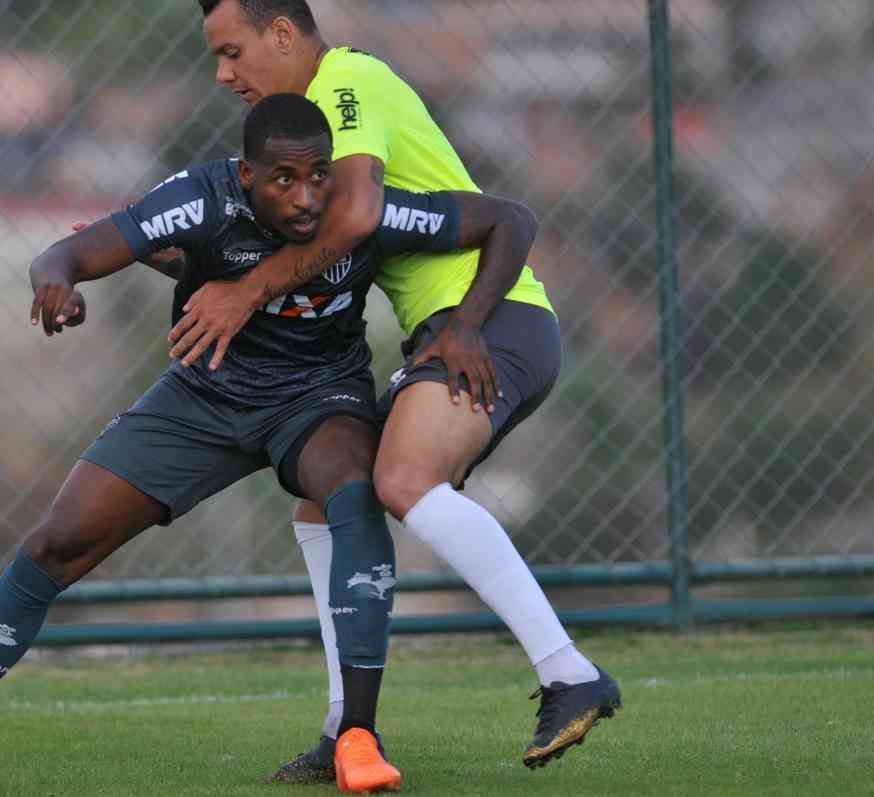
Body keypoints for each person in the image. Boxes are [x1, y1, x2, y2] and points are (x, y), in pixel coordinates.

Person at [0, 92, 526, 797]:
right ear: (245, 176)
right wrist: (58, 285)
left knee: (354, 493)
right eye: (284, 179)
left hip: (318, 397)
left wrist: (467, 326)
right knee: (58, 542)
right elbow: (67, 252)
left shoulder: (362, 207)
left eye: (319, 174)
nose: (306, 196)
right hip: (203, 396)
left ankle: (357, 736)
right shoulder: (200, 200)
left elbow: (511, 219)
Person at [170, 0, 621, 782]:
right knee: (322, 502)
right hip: (452, 330)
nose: (224, 73)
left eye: (233, 50)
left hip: (490, 324)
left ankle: (568, 670)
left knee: (402, 480)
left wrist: (245, 295)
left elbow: (353, 220)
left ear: (283, 33)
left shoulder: (349, 83)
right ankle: (347, 730)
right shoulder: (306, 128)